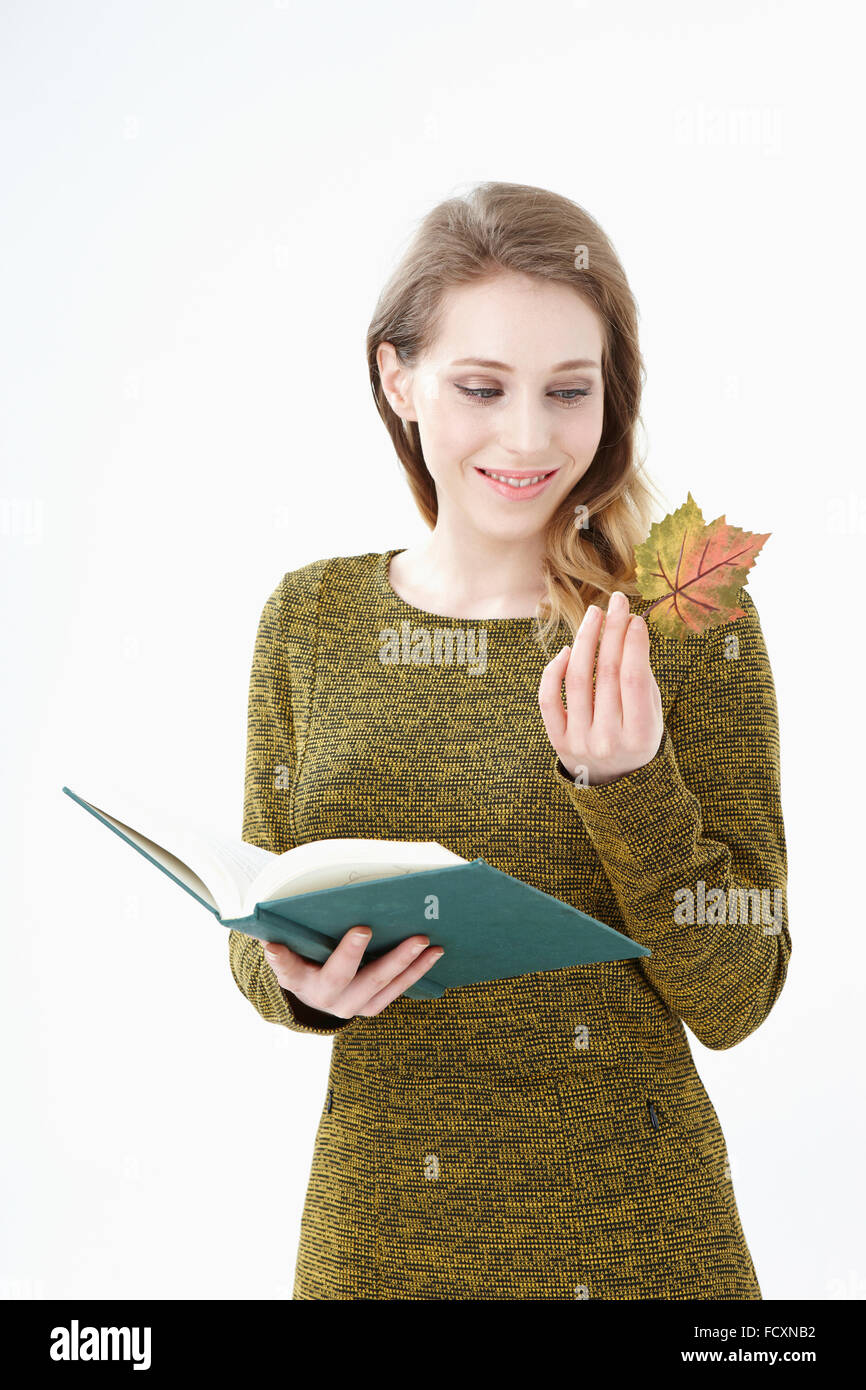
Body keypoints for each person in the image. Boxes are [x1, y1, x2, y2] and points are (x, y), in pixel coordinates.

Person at [228, 180, 790, 1301]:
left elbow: (735, 995)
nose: (527, 437)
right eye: (481, 387)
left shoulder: (684, 616)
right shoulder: (309, 619)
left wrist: (625, 784)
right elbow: (256, 919)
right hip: (379, 1239)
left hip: (637, 1249)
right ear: (397, 378)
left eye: (567, 390)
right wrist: (292, 979)